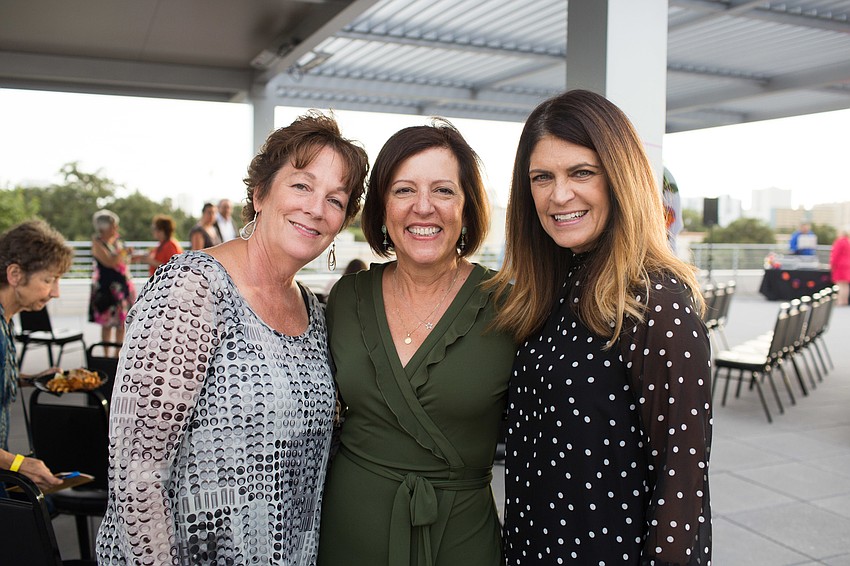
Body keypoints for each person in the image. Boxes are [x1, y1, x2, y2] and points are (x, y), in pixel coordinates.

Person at [95, 111, 369, 565]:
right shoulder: (193, 289)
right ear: (260, 193)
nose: (316, 208)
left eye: (335, 200)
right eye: (301, 185)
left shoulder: (315, 313)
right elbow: (137, 475)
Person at [490, 90, 712, 565]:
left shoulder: (656, 302)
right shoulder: (550, 291)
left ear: (619, 177)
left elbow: (682, 482)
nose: (559, 194)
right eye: (542, 177)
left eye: (582, 172)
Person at [317, 121, 516, 566]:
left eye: (443, 190)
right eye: (404, 190)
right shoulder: (346, 299)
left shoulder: (511, 306)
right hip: (349, 532)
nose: (423, 208)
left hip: (461, 538)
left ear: (467, 207)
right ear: (383, 208)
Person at [0, 220, 72, 492]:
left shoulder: (7, 321)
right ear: (15, 274)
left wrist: (30, 380)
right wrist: (19, 465)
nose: (55, 292)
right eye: (48, 280)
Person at [89, 210, 136, 352]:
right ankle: (105, 354)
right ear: (105, 227)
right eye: (114, 226)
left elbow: (122, 263)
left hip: (120, 289)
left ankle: (117, 356)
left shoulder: (115, 243)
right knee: (107, 324)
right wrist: (123, 252)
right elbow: (110, 262)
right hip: (106, 290)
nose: (116, 229)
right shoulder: (98, 243)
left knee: (122, 324)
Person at [830, 228, 850, 306]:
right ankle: (844, 300)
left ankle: (840, 301)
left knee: (841, 285)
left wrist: (832, 265)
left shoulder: (839, 242)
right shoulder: (848, 242)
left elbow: (835, 255)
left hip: (840, 266)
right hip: (847, 265)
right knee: (845, 285)